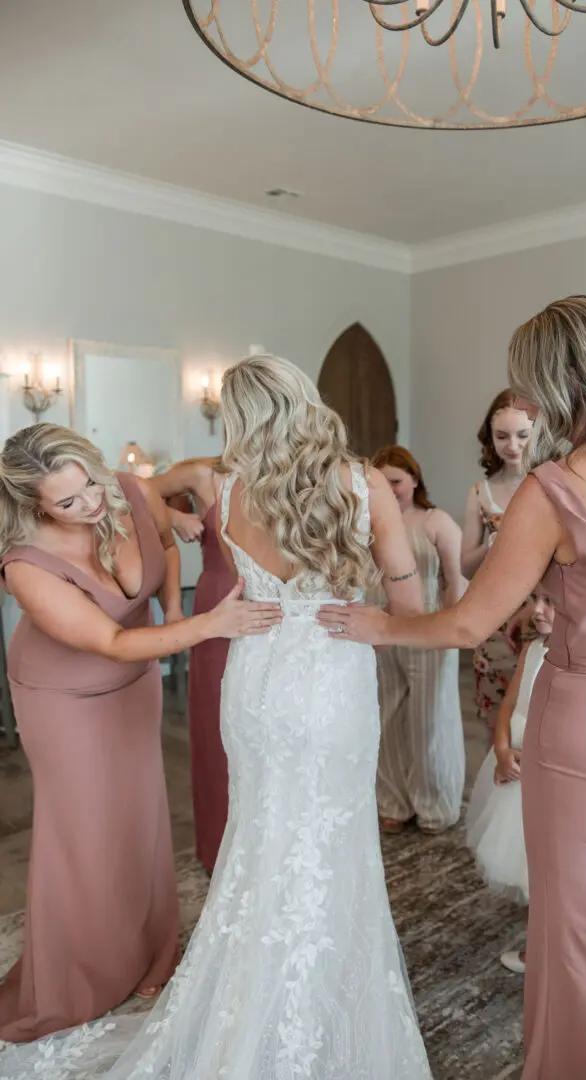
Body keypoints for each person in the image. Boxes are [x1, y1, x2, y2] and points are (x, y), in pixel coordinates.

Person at [319, 296, 586, 1080]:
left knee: (579, 941)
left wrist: (381, 626)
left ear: (560, 384)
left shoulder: (554, 490)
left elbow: (468, 623)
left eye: (527, 389)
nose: (525, 408)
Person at [0, 358, 433, 1079]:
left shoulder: (225, 490)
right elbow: (411, 611)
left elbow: (172, 527)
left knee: (260, 839)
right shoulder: (363, 486)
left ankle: (244, 1003)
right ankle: (321, 1001)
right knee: (333, 841)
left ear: (237, 420)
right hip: (331, 675)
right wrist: (380, 615)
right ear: (307, 402)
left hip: (258, 675)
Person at [0, 424, 281, 1043]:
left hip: (137, 681)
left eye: (91, 487)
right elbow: (112, 640)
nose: (92, 505)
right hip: (66, 697)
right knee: (84, 830)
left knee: (140, 815)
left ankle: (149, 952)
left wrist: (177, 613)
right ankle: (79, 974)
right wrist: (208, 625)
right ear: (34, 506)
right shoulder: (25, 566)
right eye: (67, 503)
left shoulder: (129, 490)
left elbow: (165, 548)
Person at [371, 445, 466, 834]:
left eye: (396, 481)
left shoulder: (435, 521)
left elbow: (456, 580)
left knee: (429, 718)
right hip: (380, 628)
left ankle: (435, 805)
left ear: (414, 479)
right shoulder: (368, 524)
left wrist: (447, 627)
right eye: (382, 482)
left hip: (427, 627)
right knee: (387, 716)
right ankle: (394, 801)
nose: (391, 490)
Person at [465, 590, 555, 975]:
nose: (536, 610)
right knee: (531, 871)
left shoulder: (573, 662)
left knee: (548, 870)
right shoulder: (533, 651)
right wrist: (502, 751)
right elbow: (508, 705)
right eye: (537, 599)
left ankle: (546, 954)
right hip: (512, 772)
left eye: (549, 601)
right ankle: (542, 946)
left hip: (544, 776)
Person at [151, 457, 233, 873]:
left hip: (279, 608)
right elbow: (127, 492)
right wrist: (173, 515)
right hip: (220, 601)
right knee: (219, 728)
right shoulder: (204, 474)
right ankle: (221, 851)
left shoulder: (286, 470)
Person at [460, 390, 534, 735]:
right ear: (489, 439)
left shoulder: (548, 487)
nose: (513, 446)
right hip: (495, 621)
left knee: (539, 725)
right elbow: (466, 567)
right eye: (502, 436)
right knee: (497, 730)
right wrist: (492, 544)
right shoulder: (480, 493)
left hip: (543, 616)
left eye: (522, 435)